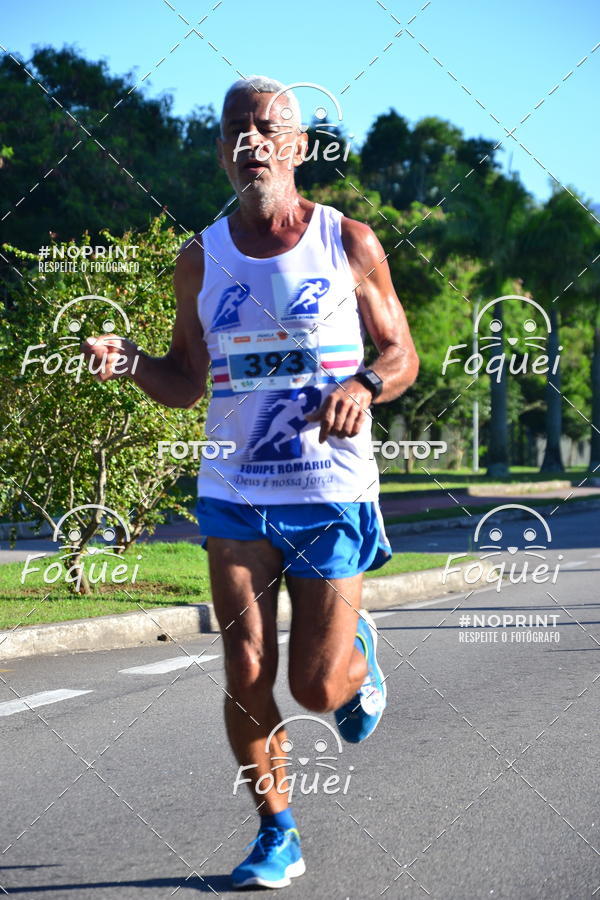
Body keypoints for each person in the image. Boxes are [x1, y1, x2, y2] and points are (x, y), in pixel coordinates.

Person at [83, 75, 419, 890]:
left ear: (299, 146)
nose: (252, 141)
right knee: (243, 667)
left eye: (268, 128)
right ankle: (278, 833)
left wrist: (363, 387)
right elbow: (186, 380)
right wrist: (132, 366)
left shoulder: (350, 242)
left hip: (331, 490)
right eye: (236, 129)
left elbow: (401, 354)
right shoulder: (200, 257)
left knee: (313, 686)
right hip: (234, 489)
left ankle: (354, 664)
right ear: (222, 149)